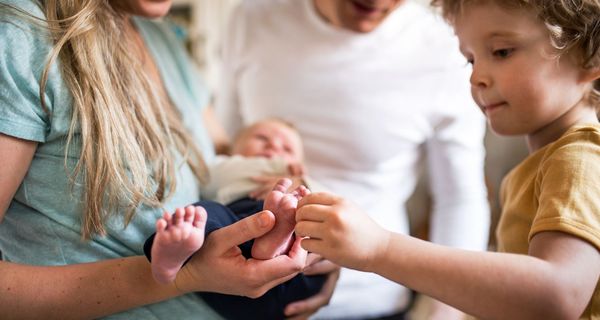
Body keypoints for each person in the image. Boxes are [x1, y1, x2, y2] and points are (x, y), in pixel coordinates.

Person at [0, 0, 332, 318]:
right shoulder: (18, 36)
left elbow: (224, 156)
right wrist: (186, 276)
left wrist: (316, 255)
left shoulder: (164, 41)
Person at [295, 0, 600, 318]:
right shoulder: (546, 164)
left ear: (588, 56)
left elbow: (559, 295)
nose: (477, 77)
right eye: (470, 60)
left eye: (501, 51)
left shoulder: (578, 159)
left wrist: (381, 249)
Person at [216, 0, 490, 318]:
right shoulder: (252, 18)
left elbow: (459, 198)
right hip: (244, 299)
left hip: (370, 301)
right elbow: (226, 150)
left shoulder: (445, 44)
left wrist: (445, 315)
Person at [144, 119, 327, 319]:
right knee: (204, 215)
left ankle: (277, 239)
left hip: (294, 277)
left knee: (306, 224)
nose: (274, 146)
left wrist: (304, 181)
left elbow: (333, 206)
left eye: (287, 148)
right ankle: (174, 258)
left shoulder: (303, 181)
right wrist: (279, 167)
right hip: (229, 261)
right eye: (262, 138)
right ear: (232, 150)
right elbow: (212, 178)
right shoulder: (226, 167)